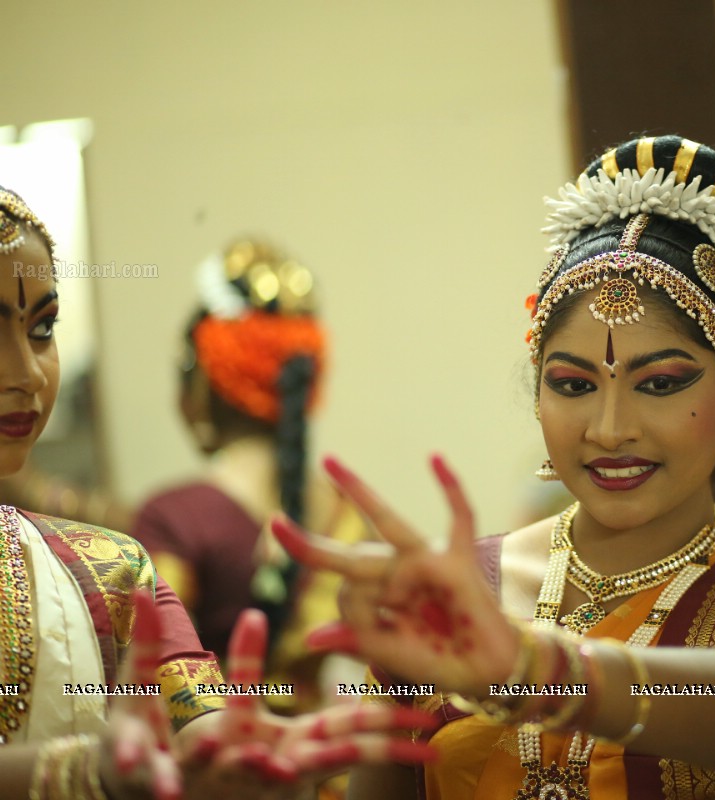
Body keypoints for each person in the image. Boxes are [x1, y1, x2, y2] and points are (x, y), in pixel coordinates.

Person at [271, 135, 715, 800]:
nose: (609, 429)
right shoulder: (463, 597)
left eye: (660, 383)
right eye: (573, 385)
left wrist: (537, 672)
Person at [0, 184, 436, 799]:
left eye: (44, 329)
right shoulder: (348, 514)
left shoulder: (118, 565)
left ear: (202, 382)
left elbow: (189, 717)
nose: (23, 374)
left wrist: (217, 751)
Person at [132, 240, 364, 714]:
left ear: (202, 383)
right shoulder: (348, 509)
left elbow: (158, 686)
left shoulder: (173, 518)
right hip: (343, 771)